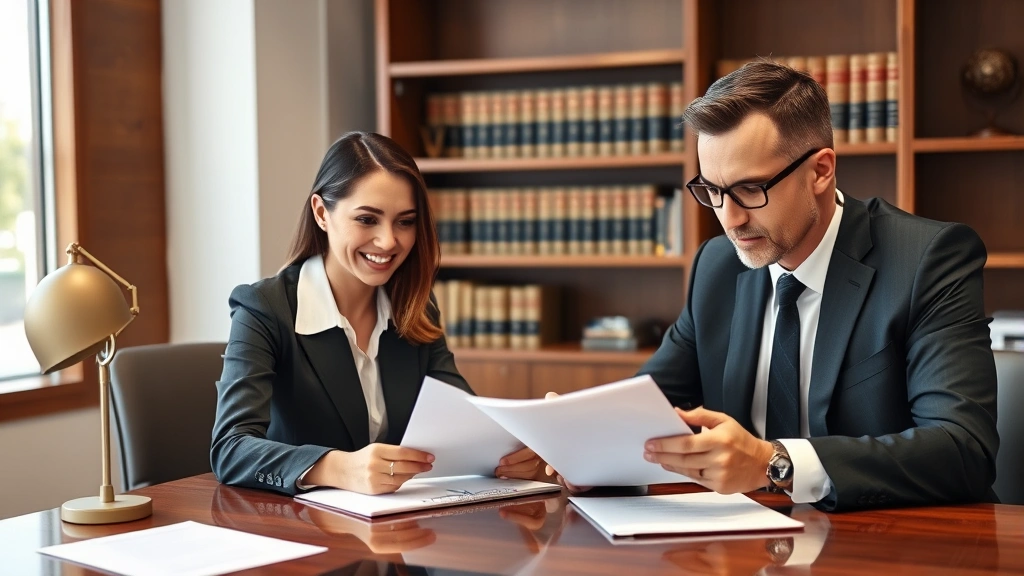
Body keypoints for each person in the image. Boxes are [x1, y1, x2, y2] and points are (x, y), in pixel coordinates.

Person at [634, 61, 998, 511]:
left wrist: (774, 463)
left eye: (750, 189)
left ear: (821, 170)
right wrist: (563, 444)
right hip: (749, 540)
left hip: (893, 540)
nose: (729, 219)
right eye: (713, 190)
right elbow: (645, 407)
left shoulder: (928, 260)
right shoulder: (717, 267)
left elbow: (963, 449)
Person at [211, 132, 543, 495]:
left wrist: (512, 454)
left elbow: (461, 423)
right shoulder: (264, 309)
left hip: (395, 528)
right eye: (368, 220)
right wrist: (336, 467)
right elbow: (231, 449)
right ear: (322, 213)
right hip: (301, 529)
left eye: (405, 222)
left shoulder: (415, 306)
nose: (389, 241)